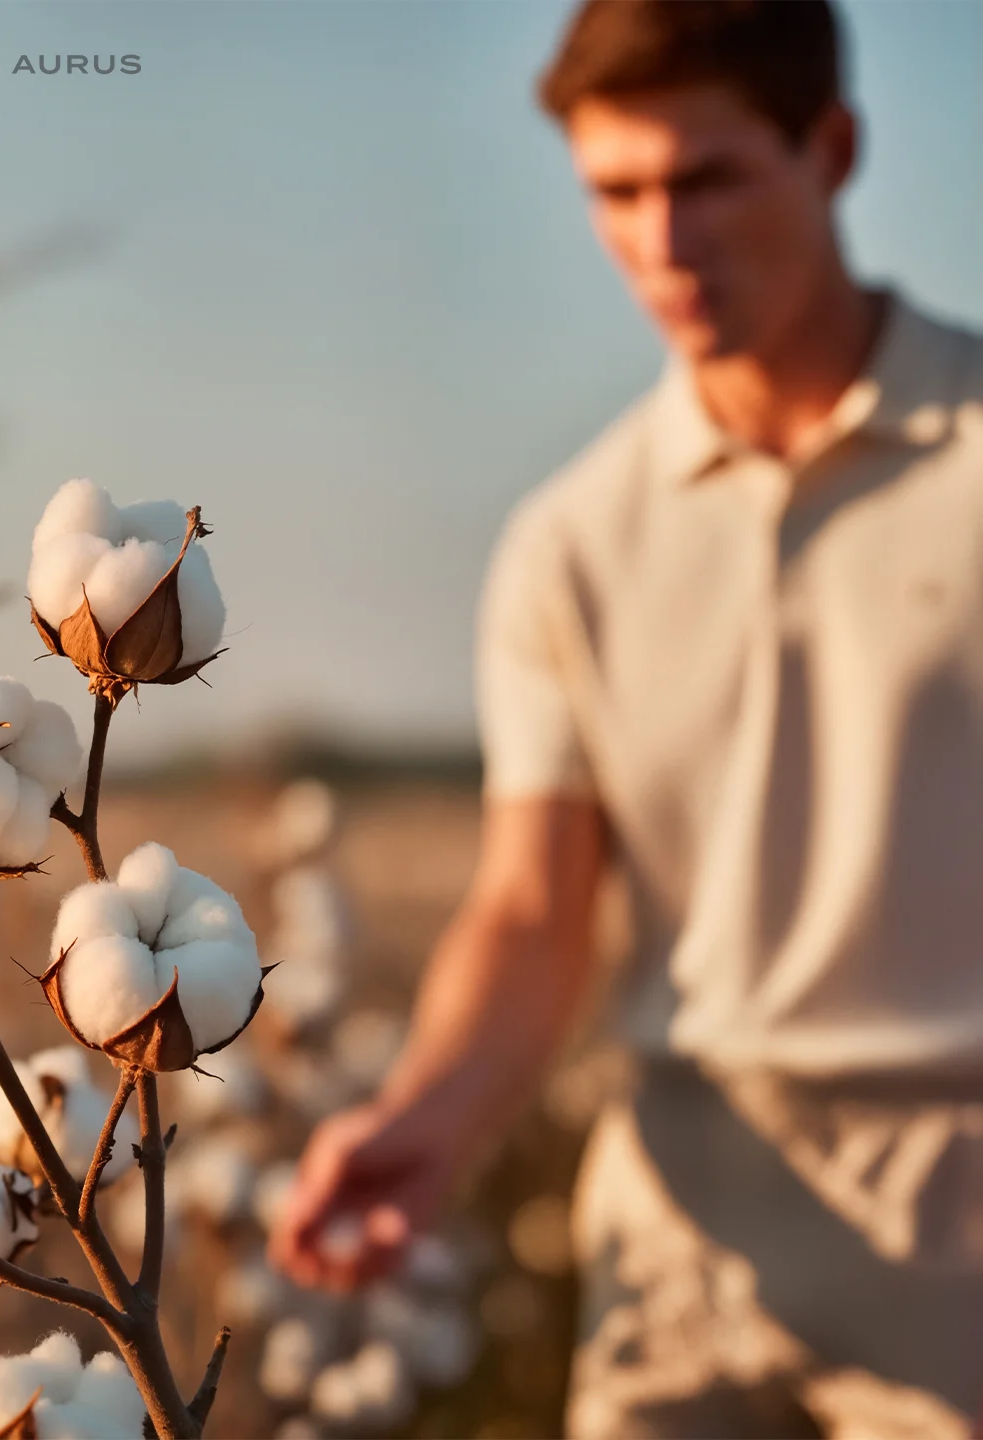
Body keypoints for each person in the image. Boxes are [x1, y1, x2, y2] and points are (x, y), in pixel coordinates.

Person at [269, 2, 983, 1434]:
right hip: (676, 1229)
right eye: (617, 192)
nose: (663, 241)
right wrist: (425, 1121)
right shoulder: (568, 542)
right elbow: (535, 911)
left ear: (831, 150)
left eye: (708, 178)